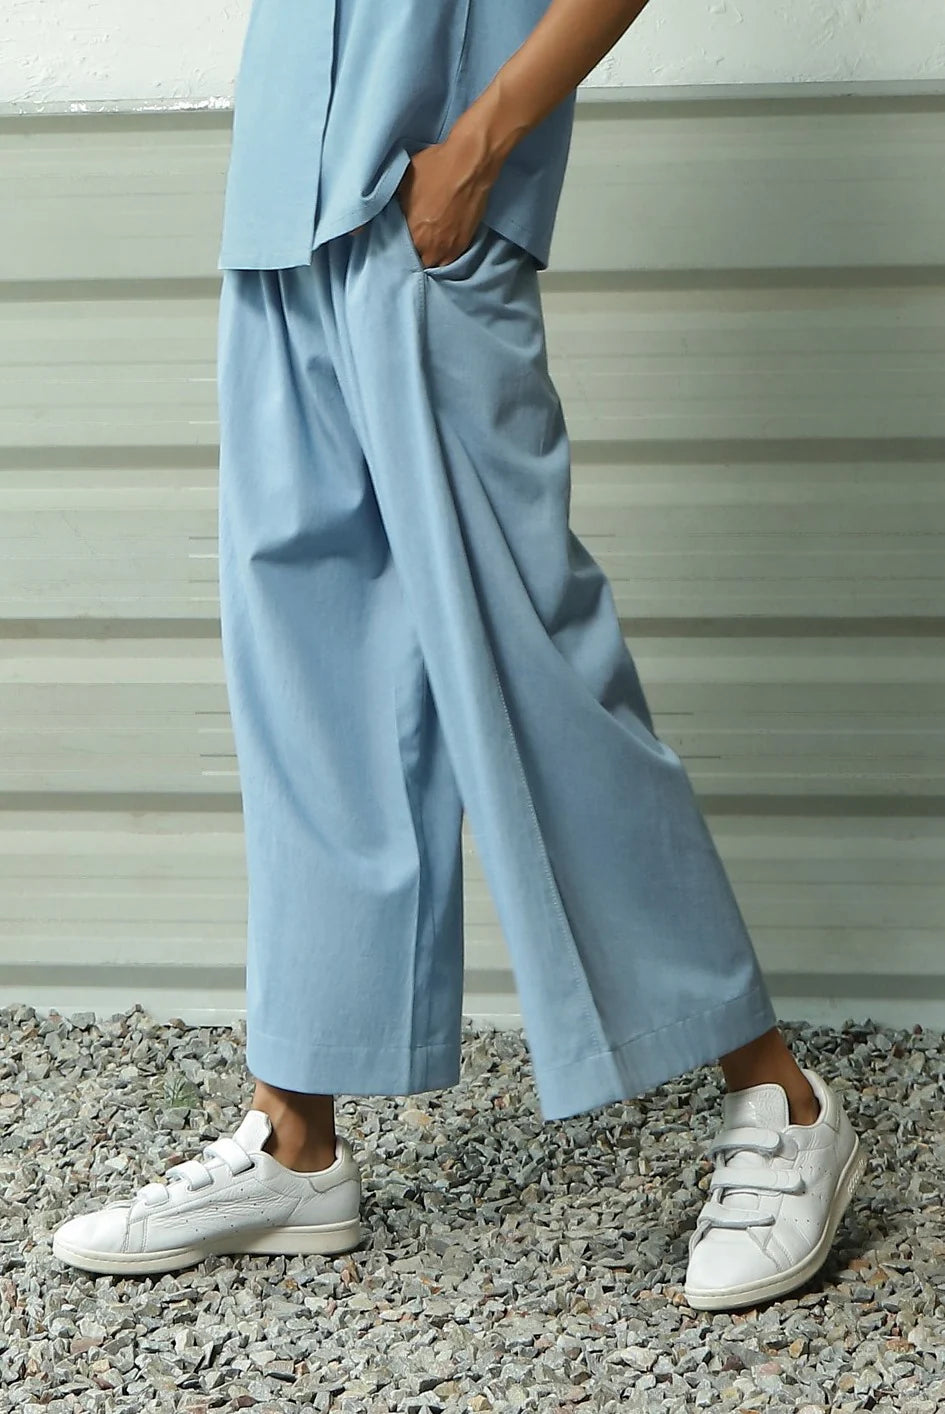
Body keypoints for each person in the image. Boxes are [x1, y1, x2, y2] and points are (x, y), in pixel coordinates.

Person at [52, 0, 866, 1310]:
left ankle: (782, 1101)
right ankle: (295, 1138)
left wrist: (481, 148)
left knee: (530, 671)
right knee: (310, 687)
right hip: (279, 209)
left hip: (425, 206)